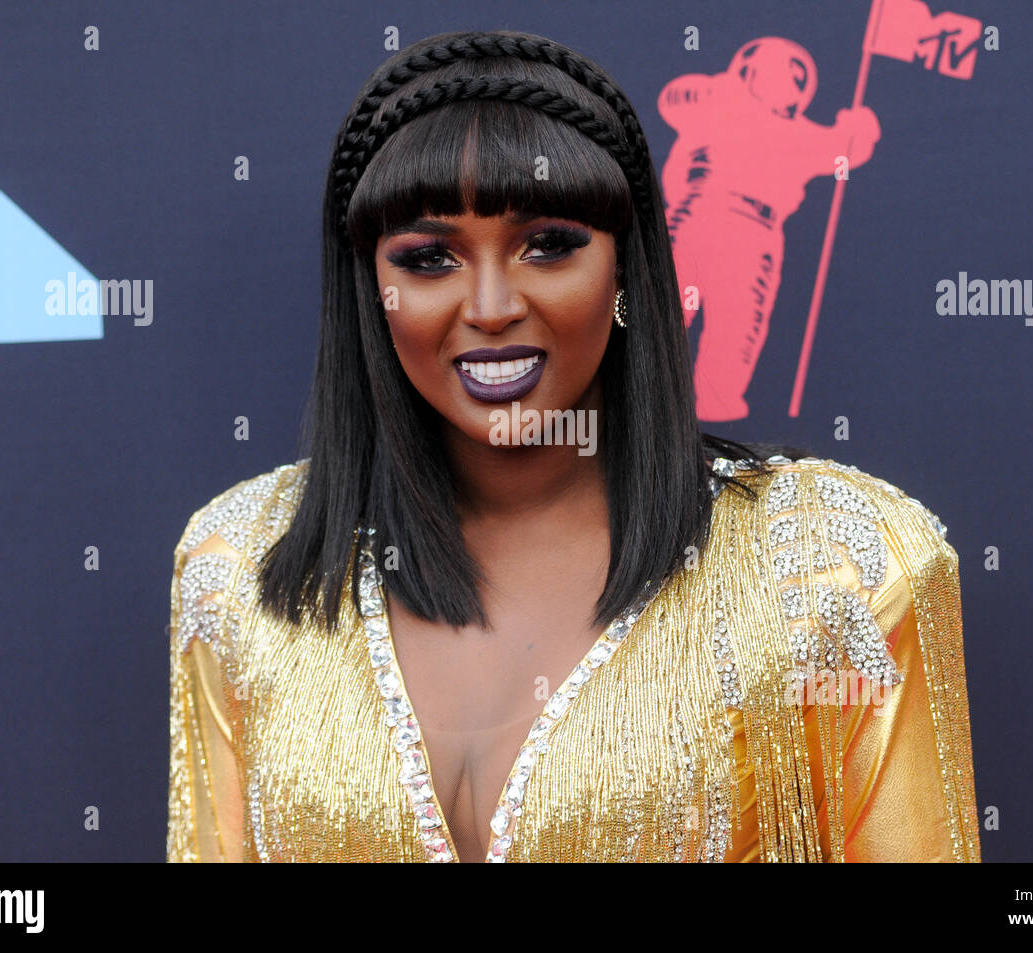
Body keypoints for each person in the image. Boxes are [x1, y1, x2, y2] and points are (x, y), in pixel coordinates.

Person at [166, 28, 980, 863]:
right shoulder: (240, 569)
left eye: (548, 244)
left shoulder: (833, 565)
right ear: (373, 291)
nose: (489, 305)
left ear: (626, 271)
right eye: (429, 257)